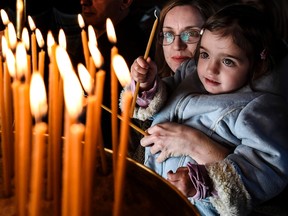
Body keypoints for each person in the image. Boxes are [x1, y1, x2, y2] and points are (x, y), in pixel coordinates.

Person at [123, 4, 288, 215]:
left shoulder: (260, 109)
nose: (211, 69)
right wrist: (147, 85)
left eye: (228, 61)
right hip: (153, 195)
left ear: (256, 64)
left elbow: (264, 168)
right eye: (204, 55)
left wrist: (199, 180)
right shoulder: (191, 73)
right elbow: (164, 93)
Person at [129, 0, 219, 162]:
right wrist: (145, 87)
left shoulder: (227, 96)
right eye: (168, 34)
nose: (177, 45)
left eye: (190, 34)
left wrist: (194, 142)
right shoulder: (146, 95)